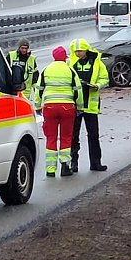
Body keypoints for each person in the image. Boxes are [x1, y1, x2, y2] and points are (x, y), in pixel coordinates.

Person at [35, 46, 84, 177]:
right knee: (66, 137)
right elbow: (78, 90)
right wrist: (80, 107)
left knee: (51, 138)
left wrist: (38, 106)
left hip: (50, 108)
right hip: (67, 108)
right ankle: (65, 166)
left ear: (53, 57)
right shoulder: (70, 71)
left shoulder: (46, 70)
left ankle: (50, 169)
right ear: (65, 57)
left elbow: (39, 89)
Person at [69, 38, 110, 172]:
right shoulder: (71, 63)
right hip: (76, 105)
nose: (77, 53)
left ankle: (96, 163)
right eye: (76, 51)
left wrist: (97, 86)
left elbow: (105, 79)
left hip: (91, 104)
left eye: (80, 51)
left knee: (93, 135)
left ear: (86, 50)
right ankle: (73, 163)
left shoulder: (97, 63)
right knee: (73, 135)